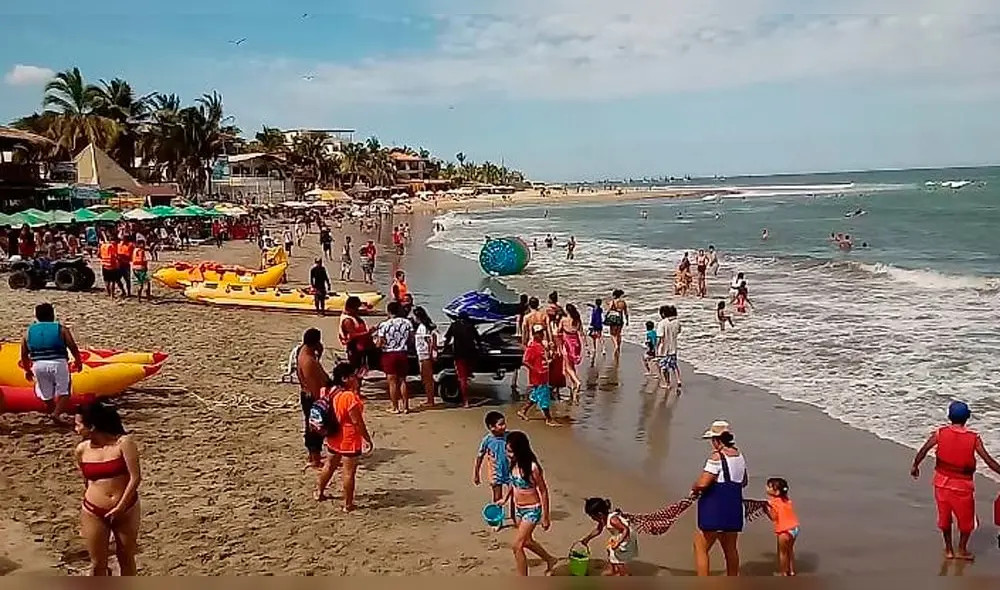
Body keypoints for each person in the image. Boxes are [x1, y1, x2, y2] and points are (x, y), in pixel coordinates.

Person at [911, 400, 1000, 561]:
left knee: (944, 519)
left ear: (949, 416)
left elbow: (923, 450)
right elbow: (989, 461)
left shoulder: (939, 433)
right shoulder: (973, 438)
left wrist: (915, 466)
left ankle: (949, 550)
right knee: (967, 522)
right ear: (967, 417)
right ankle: (962, 550)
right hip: (962, 487)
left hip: (940, 484)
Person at [74, 401, 141, 576]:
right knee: (98, 564)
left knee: (126, 557)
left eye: (78, 424)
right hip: (93, 511)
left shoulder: (123, 443)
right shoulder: (81, 450)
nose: (76, 429)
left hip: (126, 508)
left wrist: (121, 506)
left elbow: (135, 478)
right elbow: (87, 481)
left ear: (92, 426)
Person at [692, 420, 748, 577]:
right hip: (734, 508)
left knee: (700, 547)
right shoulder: (739, 455)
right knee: (730, 548)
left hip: (715, 509)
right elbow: (743, 482)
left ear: (717, 440)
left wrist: (693, 488)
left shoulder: (716, 458)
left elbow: (703, 483)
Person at [315, 362, 373, 510]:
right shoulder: (349, 397)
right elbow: (357, 422)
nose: (356, 378)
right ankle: (348, 504)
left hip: (333, 435)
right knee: (348, 472)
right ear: (345, 378)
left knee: (329, 466)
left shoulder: (328, 391)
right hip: (349, 438)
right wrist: (367, 439)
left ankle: (319, 492)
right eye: (354, 376)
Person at [501, 431, 557, 576]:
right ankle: (550, 559)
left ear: (520, 450)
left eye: (511, 451)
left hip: (532, 509)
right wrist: (505, 499)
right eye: (507, 450)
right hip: (519, 509)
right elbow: (513, 485)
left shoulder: (532, 468)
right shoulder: (513, 464)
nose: (508, 454)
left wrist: (546, 517)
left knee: (517, 546)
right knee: (526, 542)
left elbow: (543, 491)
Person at [20, 303, 83, 422]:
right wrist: (78, 361)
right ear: (52, 315)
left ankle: (53, 410)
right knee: (65, 392)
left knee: (46, 393)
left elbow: (24, 353)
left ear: (36, 316)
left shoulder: (29, 332)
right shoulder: (61, 329)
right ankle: (56, 413)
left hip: (38, 364)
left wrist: (27, 370)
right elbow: (72, 346)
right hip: (58, 362)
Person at [474, 411, 513, 531]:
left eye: (504, 423)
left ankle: (515, 517)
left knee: (514, 495)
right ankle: (499, 520)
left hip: (511, 472)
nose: (504, 426)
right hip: (495, 472)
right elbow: (480, 457)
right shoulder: (487, 440)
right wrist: (476, 474)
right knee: (497, 497)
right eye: (500, 424)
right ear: (491, 427)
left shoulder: (510, 437)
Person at [296, 329, 328, 469]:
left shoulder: (303, 351)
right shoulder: (308, 361)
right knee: (315, 427)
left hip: (308, 395)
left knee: (311, 426)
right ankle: (315, 459)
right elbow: (313, 386)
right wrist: (322, 403)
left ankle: (313, 456)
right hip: (312, 397)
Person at [579, 497, 638, 576]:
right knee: (610, 549)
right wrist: (587, 539)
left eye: (592, 516)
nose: (592, 518)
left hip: (626, 537)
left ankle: (624, 574)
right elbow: (598, 530)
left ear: (600, 514)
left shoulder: (613, 520)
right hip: (618, 534)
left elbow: (625, 529)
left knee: (618, 559)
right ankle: (612, 570)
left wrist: (618, 542)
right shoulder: (603, 519)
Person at [376, 301, 413, 414]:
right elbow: (411, 339)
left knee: (392, 382)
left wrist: (377, 345)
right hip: (402, 353)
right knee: (403, 381)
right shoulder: (407, 323)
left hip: (389, 354)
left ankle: (395, 407)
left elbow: (380, 342)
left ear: (389, 311)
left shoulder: (384, 325)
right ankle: (406, 406)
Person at [517, 325, 557, 426]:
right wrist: (535, 370)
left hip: (544, 375)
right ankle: (549, 419)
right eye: (539, 333)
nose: (541, 335)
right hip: (538, 377)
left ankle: (523, 411)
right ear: (534, 334)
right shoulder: (532, 346)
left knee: (535, 395)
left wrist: (551, 359)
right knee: (544, 397)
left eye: (542, 333)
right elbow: (525, 361)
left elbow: (543, 360)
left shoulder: (541, 346)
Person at [443, 311, 481, 408]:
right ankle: (470, 375)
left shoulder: (454, 325)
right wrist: (480, 349)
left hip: (459, 354)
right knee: (466, 376)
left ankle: (465, 401)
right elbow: (478, 339)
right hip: (471, 354)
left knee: (462, 378)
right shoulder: (470, 325)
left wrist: (444, 349)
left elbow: (447, 338)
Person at [765, 477, 800, 576]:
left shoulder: (772, 503)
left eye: (769, 487)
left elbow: (773, 517)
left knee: (782, 553)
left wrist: (766, 510)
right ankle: (792, 571)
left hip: (783, 531)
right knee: (790, 551)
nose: (766, 488)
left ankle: (784, 573)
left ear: (776, 492)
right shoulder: (786, 499)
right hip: (794, 528)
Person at [339, 296, 375, 371]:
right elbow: (353, 335)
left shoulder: (352, 315)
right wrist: (368, 333)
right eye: (356, 308)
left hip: (361, 346)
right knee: (356, 368)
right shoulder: (347, 320)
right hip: (355, 348)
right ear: (351, 308)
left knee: (362, 368)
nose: (357, 310)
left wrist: (366, 305)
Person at [412, 306, 439, 407]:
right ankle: (429, 399)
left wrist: (431, 353)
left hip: (424, 355)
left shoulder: (423, 327)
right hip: (423, 354)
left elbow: (430, 341)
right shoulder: (425, 326)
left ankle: (430, 400)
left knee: (427, 379)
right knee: (426, 378)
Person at [558, 303, 583, 402]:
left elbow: (559, 330)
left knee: (568, 367)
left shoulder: (564, 320)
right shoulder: (577, 320)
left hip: (567, 343)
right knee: (572, 365)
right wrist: (586, 346)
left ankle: (577, 382)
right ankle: (573, 385)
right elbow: (581, 332)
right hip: (576, 342)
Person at [656, 305, 682, 391]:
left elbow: (660, 337)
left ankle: (667, 383)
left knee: (664, 368)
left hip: (664, 349)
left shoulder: (662, 323)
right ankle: (678, 380)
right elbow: (678, 331)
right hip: (673, 347)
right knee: (674, 365)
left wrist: (656, 348)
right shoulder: (677, 322)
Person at [605, 289, 628, 356]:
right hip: (620, 319)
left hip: (613, 318)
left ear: (614, 295)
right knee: (619, 333)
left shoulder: (613, 302)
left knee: (612, 334)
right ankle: (619, 347)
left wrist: (606, 316)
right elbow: (626, 312)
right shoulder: (623, 302)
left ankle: (615, 345)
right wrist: (627, 320)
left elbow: (609, 310)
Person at [130, 237, 151, 302]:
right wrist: (146, 267)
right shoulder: (141, 251)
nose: (144, 245)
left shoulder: (134, 250)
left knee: (140, 283)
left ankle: (139, 298)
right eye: (143, 244)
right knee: (147, 283)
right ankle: (148, 297)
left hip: (134, 268)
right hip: (141, 268)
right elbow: (143, 260)